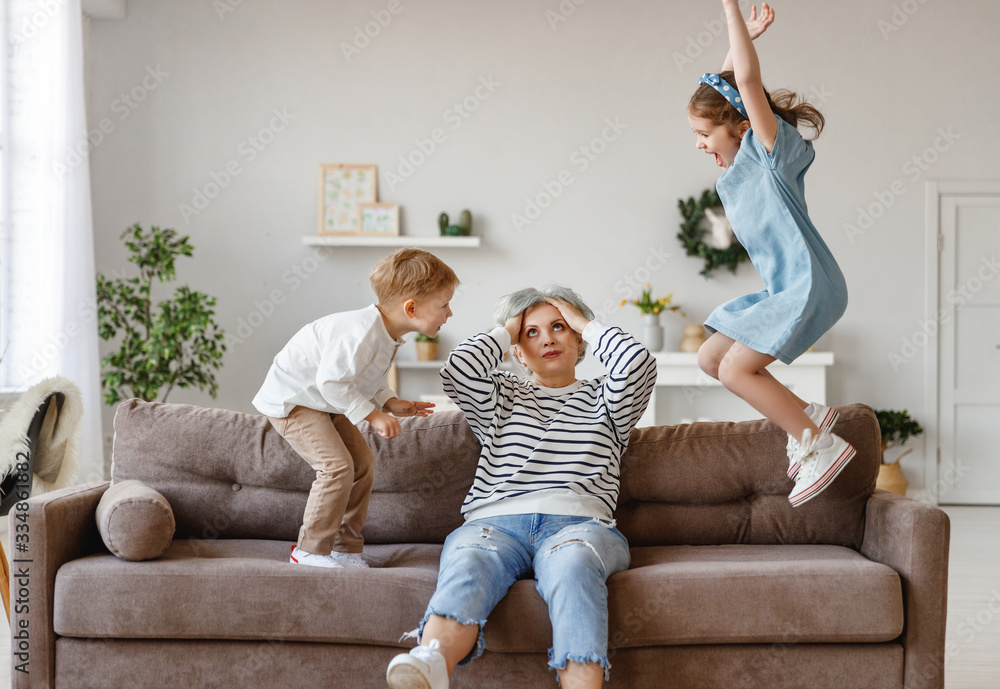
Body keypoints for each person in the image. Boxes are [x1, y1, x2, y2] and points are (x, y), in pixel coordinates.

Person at [385, 286, 656, 689]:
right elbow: (458, 369)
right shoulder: (500, 398)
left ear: (579, 337)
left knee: (573, 565)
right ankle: (431, 662)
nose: (547, 338)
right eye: (531, 332)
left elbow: (637, 364)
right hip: (493, 524)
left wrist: (585, 322)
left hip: (579, 525)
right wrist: (506, 329)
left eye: (559, 327)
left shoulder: (608, 399)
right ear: (515, 346)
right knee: (469, 560)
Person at [687, 1, 853, 507]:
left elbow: (748, 88)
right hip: (783, 288)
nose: (698, 145)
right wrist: (742, 45)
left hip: (809, 284)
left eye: (703, 134)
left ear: (738, 127)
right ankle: (807, 417)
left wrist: (732, 13)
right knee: (712, 358)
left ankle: (817, 444)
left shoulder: (770, 155)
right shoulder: (735, 174)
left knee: (738, 370)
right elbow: (729, 90)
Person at [252, 248, 459, 568]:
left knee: (362, 463)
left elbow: (365, 378)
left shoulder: (385, 334)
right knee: (336, 466)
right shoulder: (361, 333)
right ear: (411, 307)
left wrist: (390, 402)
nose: (450, 313)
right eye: (444, 305)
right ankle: (309, 550)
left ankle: (344, 547)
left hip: (322, 400)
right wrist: (374, 415)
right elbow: (331, 383)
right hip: (294, 400)